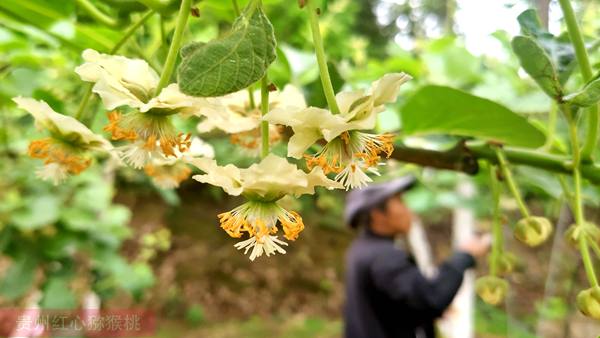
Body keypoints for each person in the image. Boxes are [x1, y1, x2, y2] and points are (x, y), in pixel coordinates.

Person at [343, 176, 490, 338]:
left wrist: (420, 314)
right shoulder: (383, 256)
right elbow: (430, 299)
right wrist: (464, 256)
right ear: (377, 214)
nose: (408, 210)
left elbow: (390, 305)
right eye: (400, 202)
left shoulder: (362, 250)